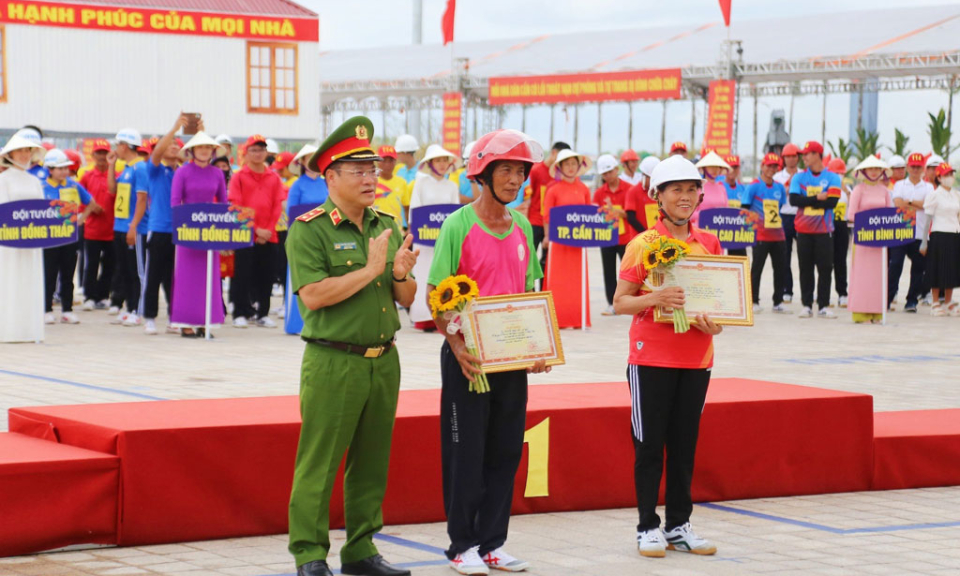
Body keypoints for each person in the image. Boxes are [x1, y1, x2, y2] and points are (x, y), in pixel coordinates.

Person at [286, 116, 418, 576]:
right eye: (358, 170)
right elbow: (315, 296)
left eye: (374, 169)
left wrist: (399, 272)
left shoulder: (387, 222)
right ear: (330, 176)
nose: (371, 178)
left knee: (371, 461)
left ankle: (361, 550)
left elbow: (404, 297)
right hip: (333, 358)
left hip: (383, 359)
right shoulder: (311, 228)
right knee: (319, 462)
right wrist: (371, 268)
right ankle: (309, 554)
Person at [428, 129, 548, 575]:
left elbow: (529, 292)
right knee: (467, 452)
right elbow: (436, 295)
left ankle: (493, 542)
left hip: (511, 362)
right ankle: (463, 545)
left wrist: (538, 345)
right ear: (483, 173)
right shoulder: (457, 224)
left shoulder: (523, 226)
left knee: (505, 451)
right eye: (506, 170)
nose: (515, 179)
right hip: (468, 360)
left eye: (521, 171)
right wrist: (457, 346)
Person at [612, 155, 723, 559]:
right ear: (657, 196)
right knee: (648, 445)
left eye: (692, 189)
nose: (685, 196)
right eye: (675, 189)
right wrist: (655, 297)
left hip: (697, 360)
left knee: (684, 445)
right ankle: (647, 526)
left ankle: (679, 524)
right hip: (650, 360)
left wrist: (717, 324)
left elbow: (719, 303)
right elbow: (620, 302)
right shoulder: (642, 244)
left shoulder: (708, 242)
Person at [169, 132, 227, 337]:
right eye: (200, 147)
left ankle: (206, 322)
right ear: (192, 150)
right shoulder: (182, 172)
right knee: (186, 278)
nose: (204, 150)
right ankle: (185, 322)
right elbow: (175, 202)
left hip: (210, 232)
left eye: (208, 147)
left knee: (208, 278)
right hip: (188, 231)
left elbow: (223, 204)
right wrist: (183, 226)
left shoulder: (217, 173)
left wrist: (224, 234)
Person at [228, 134, 286, 328]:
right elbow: (236, 205)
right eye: (254, 150)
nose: (258, 153)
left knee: (266, 275)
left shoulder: (274, 177)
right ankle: (240, 312)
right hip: (245, 234)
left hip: (270, 235)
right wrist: (256, 230)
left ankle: (262, 313)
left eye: (261, 149)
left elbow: (277, 206)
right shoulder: (239, 177)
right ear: (246, 153)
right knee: (242, 274)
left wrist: (267, 230)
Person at [139, 115, 188, 335]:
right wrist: (175, 128)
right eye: (169, 144)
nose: (172, 147)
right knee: (153, 276)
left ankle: (173, 317)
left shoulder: (183, 172)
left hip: (179, 230)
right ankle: (149, 317)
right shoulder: (156, 170)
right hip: (158, 229)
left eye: (176, 145)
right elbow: (156, 152)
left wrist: (196, 133)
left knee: (174, 278)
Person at [40, 149, 98, 325]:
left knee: (67, 275)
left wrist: (81, 219)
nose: (64, 171)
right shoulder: (40, 187)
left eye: (65, 168)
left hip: (69, 238)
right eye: (59, 168)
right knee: (49, 274)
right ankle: (47, 310)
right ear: (50, 169)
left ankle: (67, 310)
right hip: (49, 239)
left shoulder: (73, 185)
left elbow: (91, 203)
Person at [0, 134, 47, 343]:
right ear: (10, 154)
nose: (24, 154)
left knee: (31, 280)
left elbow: (44, 211)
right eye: (20, 150)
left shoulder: (35, 180)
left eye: (28, 150)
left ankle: (30, 329)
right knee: (10, 281)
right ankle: (9, 329)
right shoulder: (3, 179)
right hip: (9, 243)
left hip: (32, 242)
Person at [408, 144, 459, 331]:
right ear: (430, 163)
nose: (443, 164)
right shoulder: (420, 184)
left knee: (444, 276)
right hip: (425, 240)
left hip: (444, 240)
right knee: (423, 275)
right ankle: (423, 318)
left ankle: (443, 316)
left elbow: (455, 214)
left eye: (445, 160)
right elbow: (414, 211)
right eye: (438, 160)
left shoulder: (452, 186)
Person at [790, 141, 842, 319]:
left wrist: (808, 199)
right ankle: (806, 304)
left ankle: (823, 305)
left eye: (807, 154)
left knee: (825, 268)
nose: (803, 158)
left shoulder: (833, 178)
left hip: (824, 231)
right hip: (803, 230)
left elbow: (832, 203)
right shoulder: (799, 178)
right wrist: (817, 197)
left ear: (818, 155)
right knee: (805, 268)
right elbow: (794, 200)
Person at [543, 149, 592, 328]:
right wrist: (547, 236)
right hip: (559, 243)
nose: (570, 168)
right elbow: (547, 216)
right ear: (560, 167)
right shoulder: (553, 190)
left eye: (573, 164)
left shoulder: (584, 189)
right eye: (567, 164)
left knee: (577, 279)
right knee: (559, 281)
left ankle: (579, 318)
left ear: (579, 166)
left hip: (578, 243)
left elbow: (589, 215)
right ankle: (559, 319)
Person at [107, 128, 147, 326]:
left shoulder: (140, 168)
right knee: (123, 269)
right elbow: (112, 189)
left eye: (117, 145)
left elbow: (142, 200)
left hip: (135, 228)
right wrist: (111, 166)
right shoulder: (127, 169)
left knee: (136, 271)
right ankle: (129, 307)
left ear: (124, 146)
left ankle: (137, 310)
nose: (116, 149)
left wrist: (133, 227)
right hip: (120, 226)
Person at [846, 157, 893, 323]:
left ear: (881, 171)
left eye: (876, 168)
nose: (873, 171)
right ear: (864, 171)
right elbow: (851, 215)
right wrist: (870, 220)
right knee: (862, 274)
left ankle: (877, 312)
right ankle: (861, 313)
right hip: (863, 239)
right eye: (870, 168)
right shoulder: (858, 190)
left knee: (878, 276)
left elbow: (891, 214)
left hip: (880, 242)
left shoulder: (885, 191)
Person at [742, 153, 789, 313]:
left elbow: (780, 207)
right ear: (762, 166)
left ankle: (778, 301)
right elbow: (744, 209)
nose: (771, 169)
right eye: (769, 166)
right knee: (757, 269)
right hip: (760, 236)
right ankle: (754, 301)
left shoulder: (779, 188)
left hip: (778, 235)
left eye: (775, 166)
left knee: (780, 268)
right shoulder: (754, 186)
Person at [889, 153, 933, 312]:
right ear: (908, 167)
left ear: (923, 169)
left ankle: (912, 300)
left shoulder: (928, 187)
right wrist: (915, 205)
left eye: (918, 167)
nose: (915, 169)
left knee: (918, 268)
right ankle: (888, 297)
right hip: (901, 231)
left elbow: (928, 206)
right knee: (895, 265)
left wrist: (908, 202)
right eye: (912, 166)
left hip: (920, 233)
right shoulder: (899, 185)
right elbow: (898, 205)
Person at [593, 154, 633, 316]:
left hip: (626, 238)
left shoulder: (629, 189)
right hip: (607, 238)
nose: (608, 175)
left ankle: (630, 302)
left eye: (610, 171)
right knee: (608, 272)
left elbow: (629, 214)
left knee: (629, 272)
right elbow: (595, 215)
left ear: (617, 169)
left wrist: (613, 210)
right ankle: (612, 304)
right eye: (604, 173)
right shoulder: (599, 193)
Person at [80, 139, 116, 311]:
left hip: (112, 228)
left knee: (109, 265)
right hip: (92, 229)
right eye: (98, 153)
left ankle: (103, 295)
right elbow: (78, 200)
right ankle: (89, 296)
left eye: (104, 152)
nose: (102, 156)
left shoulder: (116, 175)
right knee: (91, 264)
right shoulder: (86, 176)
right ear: (93, 155)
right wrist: (91, 208)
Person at [526, 142, 569, 278]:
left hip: (552, 225)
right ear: (554, 153)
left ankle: (544, 293)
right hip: (534, 222)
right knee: (528, 260)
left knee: (547, 262)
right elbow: (527, 197)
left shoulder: (560, 175)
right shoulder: (536, 171)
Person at [923, 163, 960, 316]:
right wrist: (924, 241)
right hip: (939, 234)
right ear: (939, 178)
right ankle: (936, 302)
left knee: (952, 269)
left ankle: (948, 301)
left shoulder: (956, 194)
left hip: (954, 233)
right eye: (946, 175)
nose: (949, 178)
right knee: (937, 268)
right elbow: (927, 220)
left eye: (951, 174)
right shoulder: (934, 195)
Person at [774, 143, 801, 303]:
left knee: (806, 257)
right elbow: (774, 197)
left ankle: (808, 292)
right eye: (788, 156)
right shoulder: (778, 177)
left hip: (802, 216)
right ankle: (787, 289)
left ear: (798, 157)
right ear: (783, 158)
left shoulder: (804, 174)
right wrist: (787, 187)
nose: (791, 159)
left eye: (793, 156)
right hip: (784, 216)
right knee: (785, 255)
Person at [827, 158, 851, 308]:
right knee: (826, 262)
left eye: (840, 173)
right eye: (835, 173)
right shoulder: (825, 188)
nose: (838, 176)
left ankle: (842, 293)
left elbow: (853, 203)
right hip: (828, 226)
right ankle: (825, 294)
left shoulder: (847, 190)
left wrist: (845, 190)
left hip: (843, 226)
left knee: (840, 261)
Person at [625, 156, 661, 235]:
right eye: (652, 179)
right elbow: (631, 218)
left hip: (659, 238)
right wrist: (646, 233)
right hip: (639, 239)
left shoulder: (661, 192)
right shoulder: (633, 192)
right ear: (644, 176)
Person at [692, 151, 730, 225]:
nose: (714, 170)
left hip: (719, 230)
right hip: (701, 229)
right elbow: (690, 214)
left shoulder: (722, 188)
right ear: (704, 168)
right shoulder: (697, 188)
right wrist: (708, 216)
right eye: (711, 166)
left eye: (717, 167)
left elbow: (727, 211)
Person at [372, 146, 406, 223]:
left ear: (395, 162)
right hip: (377, 228)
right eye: (383, 160)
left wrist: (408, 228)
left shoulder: (402, 182)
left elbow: (407, 208)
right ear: (377, 162)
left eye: (391, 161)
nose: (387, 164)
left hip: (397, 230)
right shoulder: (371, 182)